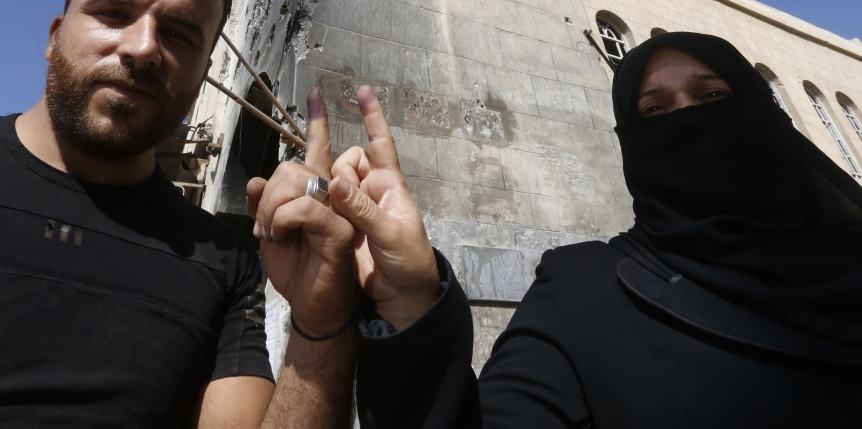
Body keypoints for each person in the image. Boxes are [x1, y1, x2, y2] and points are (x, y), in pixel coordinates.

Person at [0, 0, 358, 428]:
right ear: (55, 36)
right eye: (114, 13)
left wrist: (321, 323)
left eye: (179, 35)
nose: (143, 48)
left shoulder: (225, 261)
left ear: (203, 74)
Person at [251, 32, 862, 428]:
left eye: (711, 96)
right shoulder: (585, 294)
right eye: (656, 111)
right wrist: (411, 303)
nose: (689, 123)